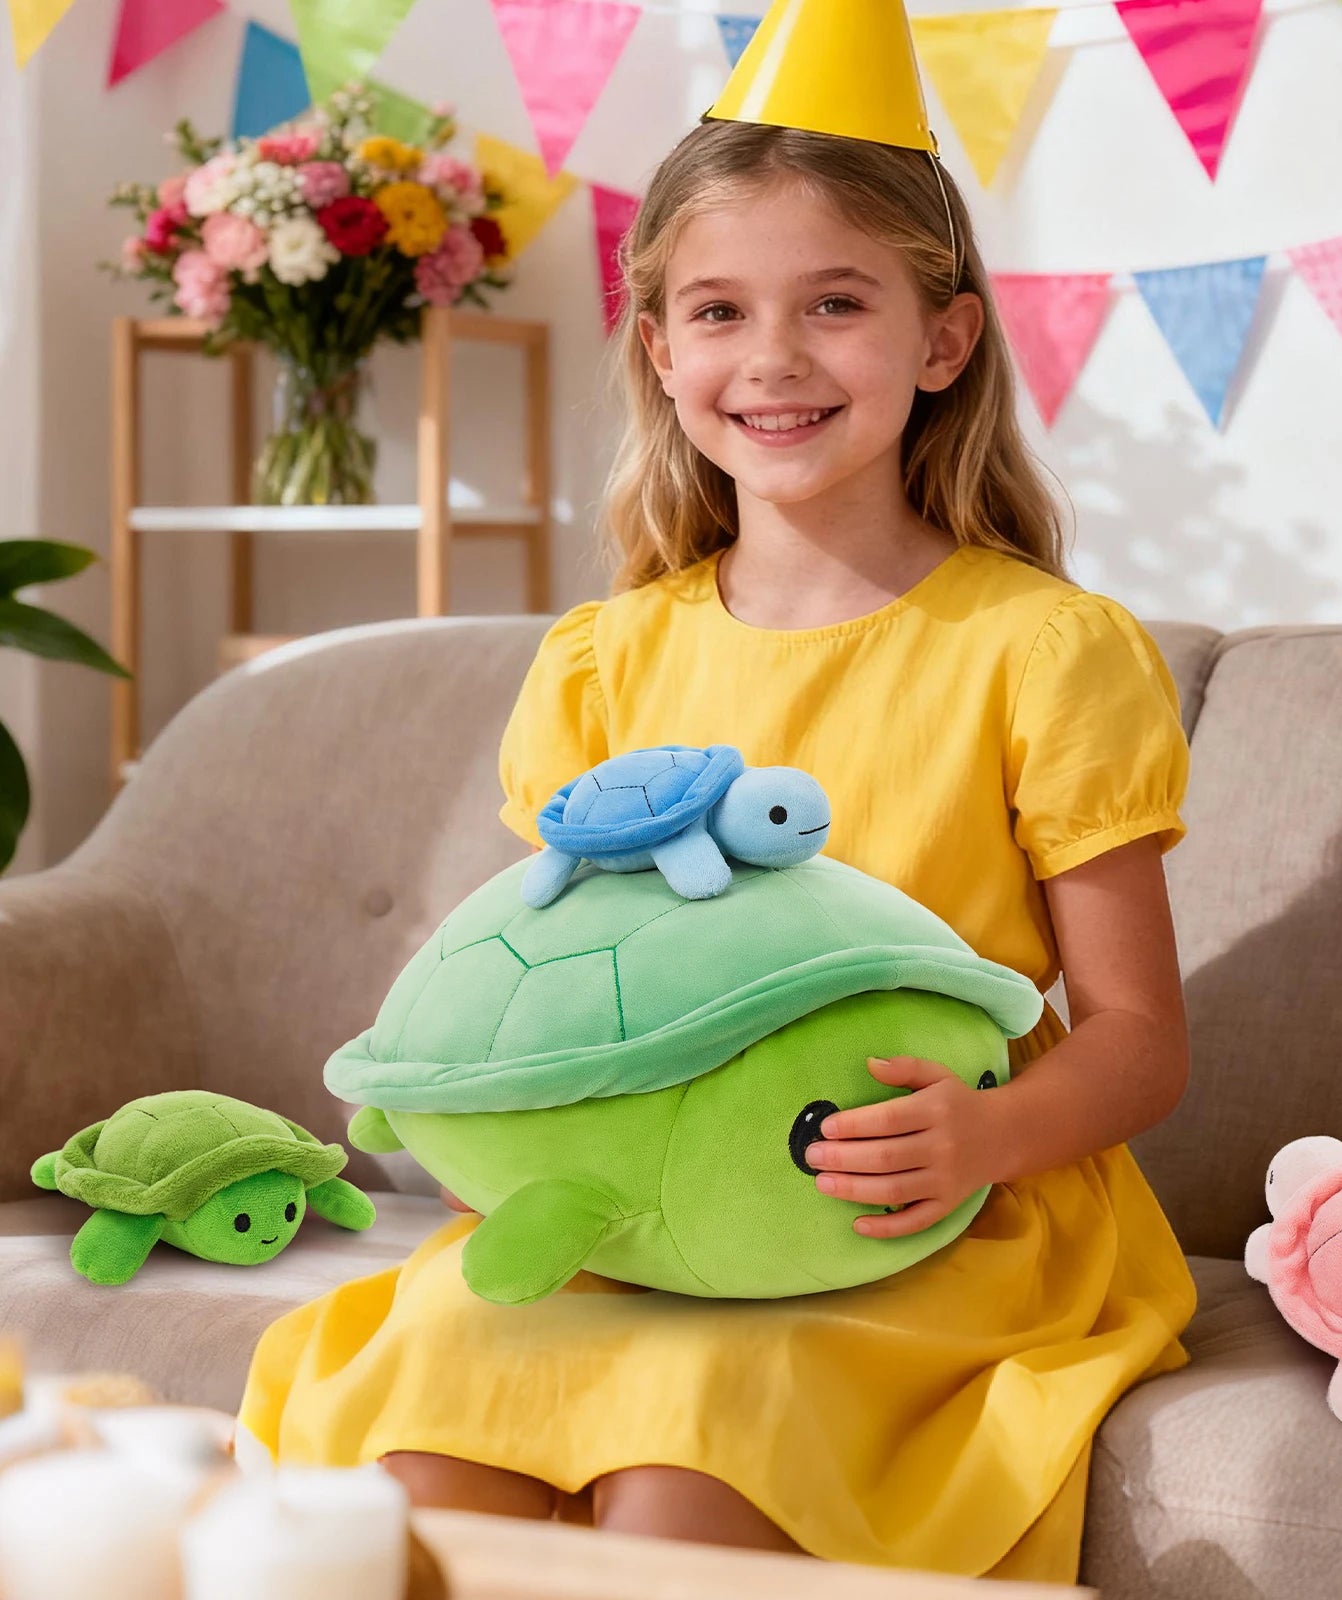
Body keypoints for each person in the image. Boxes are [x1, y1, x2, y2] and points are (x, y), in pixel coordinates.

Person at [235, 4, 1198, 1583]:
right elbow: (552, 983)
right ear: (662, 351)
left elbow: (1141, 1040)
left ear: (944, 341)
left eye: (837, 303)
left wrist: (983, 1135)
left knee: (688, 1468)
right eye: (720, 310)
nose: (775, 358)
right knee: (421, 1445)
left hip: (923, 1211)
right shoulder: (604, 660)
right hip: (628, 1204)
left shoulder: (1045, 652)